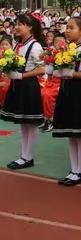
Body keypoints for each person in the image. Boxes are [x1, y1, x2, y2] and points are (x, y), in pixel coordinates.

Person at [52, 17, 81, 186]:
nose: (67, 30)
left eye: (71, 28)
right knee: (71, 133)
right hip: (67, 92)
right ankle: (73, 169)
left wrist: (72, 74)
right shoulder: (65, 49)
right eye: (67, 27)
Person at [1, 13, 45, 170]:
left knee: (30, 123)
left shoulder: (35, 46)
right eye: (16, 23)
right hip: (18, 86)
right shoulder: (17, 45)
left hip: (29, 86)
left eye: (21, 24)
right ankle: (24, 155)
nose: (17, 27)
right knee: (23, 124)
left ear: (30, 27)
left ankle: (28, 156)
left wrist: (21, 75)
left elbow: (42, 68)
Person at [0, 35, 13, 107]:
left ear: (11, 46)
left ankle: (4, 107)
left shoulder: (13, 58)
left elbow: (6, 79)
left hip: (9, 80)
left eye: (6, 44)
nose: (4, 46)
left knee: (4, 89)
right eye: (2, 44)